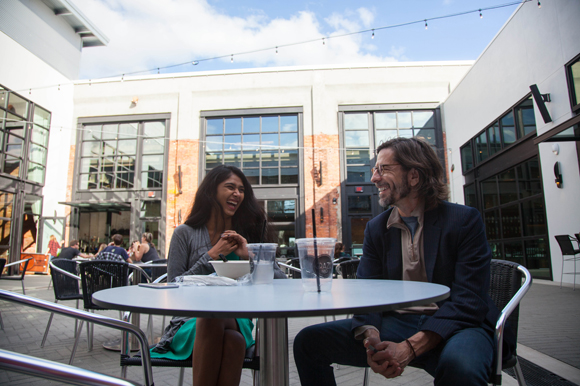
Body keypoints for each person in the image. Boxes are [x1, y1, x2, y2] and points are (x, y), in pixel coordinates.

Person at [293, 137, 516, 386]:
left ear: (414, 176)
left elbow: (469, 302)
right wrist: (371, 338)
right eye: (375, 170)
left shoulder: (463, 221)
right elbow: (368, 292)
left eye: (384, 169)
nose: (374, 178)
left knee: (460, 368)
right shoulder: (377, 228)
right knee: (308, 342)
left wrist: (409, 347)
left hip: (458, 326)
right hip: (396, 323)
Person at [151, 165, 280, 386]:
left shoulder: (250, 234)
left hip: (240, 320)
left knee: (218, 319)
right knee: (231, 338)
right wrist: (211, 255)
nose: (237, 194)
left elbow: (282, 283)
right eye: (230, 187)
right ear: (212, 191)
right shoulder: (185, 234)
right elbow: (173, 289)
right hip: (188, 323)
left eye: (241, 190)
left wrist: (250, 256)